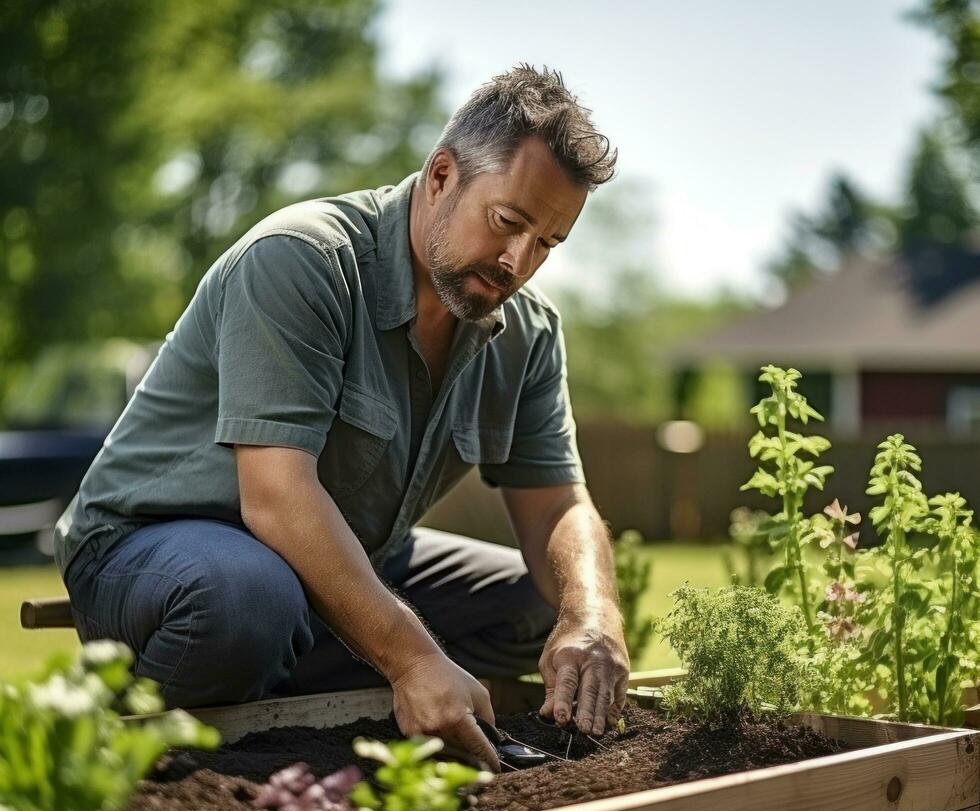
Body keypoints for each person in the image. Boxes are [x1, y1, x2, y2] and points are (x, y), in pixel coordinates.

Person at [54, 64, 630, 772]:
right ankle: (162, 761)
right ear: (443, 174)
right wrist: (415, 659)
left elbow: (557, 507)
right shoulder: (302, 260)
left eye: (547, 242)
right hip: (151, 547)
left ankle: (304, 709)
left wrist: (591, 615)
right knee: (246, 599)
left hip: (333, 560)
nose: (519, 260)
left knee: (533, 604)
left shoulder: (527, 331)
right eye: (509, 221)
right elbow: (275, 498)